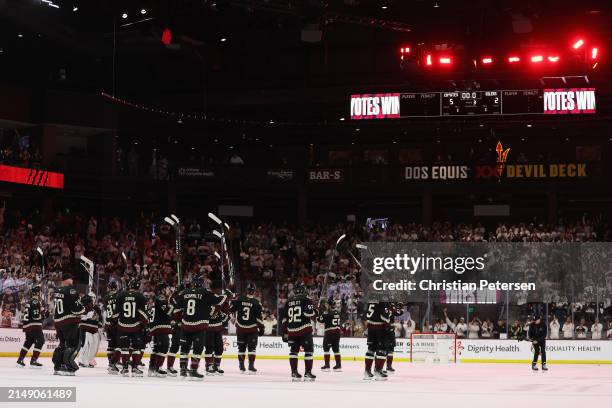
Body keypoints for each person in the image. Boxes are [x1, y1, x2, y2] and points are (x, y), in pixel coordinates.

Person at [173, 275, 229, 380]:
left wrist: (179, 322)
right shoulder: (205, 293)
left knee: (184, 348)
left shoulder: (184, 293)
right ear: (201, 283)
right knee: (198, 349)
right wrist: (227, 295)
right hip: (199, 325)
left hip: (186, 325)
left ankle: (183, 370)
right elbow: (220, 300)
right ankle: (193, 370)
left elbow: (176, 310)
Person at [281, 281, 317, 381]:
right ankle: (307, 373)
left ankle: (294, 372)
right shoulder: (307, 299)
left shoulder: (288, 301)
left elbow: (284, 319)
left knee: (293, 351)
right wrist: (315, 311)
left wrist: (285, 332)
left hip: (291, 330)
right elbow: (308, 313)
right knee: (309, 351)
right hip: (304, 329)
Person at [114, 279, 148, 377]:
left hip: (122, 325)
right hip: (135, 326)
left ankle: (124, 368)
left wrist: (113, 322)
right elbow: (143, 314)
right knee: (137, 347)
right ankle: (135, 367)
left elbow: (116, 312)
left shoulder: (120, 295)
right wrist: (146, 325)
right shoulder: (140, 296)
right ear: (138, 287)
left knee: (124, 347)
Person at [52, 273, 85, 376]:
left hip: (58, 322)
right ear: (65, 280)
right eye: (70, 279)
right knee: (73, 345)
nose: (72, 281)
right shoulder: (71, 290)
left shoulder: (57, 291)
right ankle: (68, 366)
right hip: (69, 322)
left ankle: (58, 366)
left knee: (63, 344)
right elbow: (77, 310)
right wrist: (85, 308)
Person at [230, 282, 264, 374]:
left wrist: (232, 301)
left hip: (240, 328)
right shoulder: (257, 303)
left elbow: (231, 309)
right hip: (252, 329)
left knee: (241, 348)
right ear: (254, 292)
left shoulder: (239, 299)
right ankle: (251, 366)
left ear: (247, 290)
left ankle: (241, 366)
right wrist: (262, 329)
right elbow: (259, 319)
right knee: (252, 349)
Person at [17, 285, 46, 368]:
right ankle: (34, 360)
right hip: (34, 325)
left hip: (27, 325)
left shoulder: (29, 302)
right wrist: (44, 315)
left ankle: (20, 359)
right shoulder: (36, 302)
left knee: (29, 342)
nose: (40, 293)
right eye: (39, 292)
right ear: (37, 292)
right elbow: (36, 316)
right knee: (41, 341)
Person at [148, 282, 172, 377]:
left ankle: (152, 367)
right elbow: (167, 311)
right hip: (161, 327)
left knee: (157, 347)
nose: (168, 290)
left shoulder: (161, 298)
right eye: (166, 288)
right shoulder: (161, 298)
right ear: (162, 289)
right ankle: (158, 367)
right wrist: (174, 305)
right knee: (165, 345)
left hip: (158, 326)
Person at [363, 299, 389, 381]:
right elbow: (383, 316)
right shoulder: (382, 301)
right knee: (382, 349)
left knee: (371, 349)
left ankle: (367, 372)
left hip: (371, 327)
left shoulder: (370, 300)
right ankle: (378, 371)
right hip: (379, 328)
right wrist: (388, 325)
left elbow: (367, 315)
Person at [205, 288, 229, 376]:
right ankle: (208, 366)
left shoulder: (218, 303)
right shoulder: (205, 304)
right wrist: (218, 307)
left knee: (219, 347)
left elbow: (224, 316)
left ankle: (217, 366)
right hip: (208, 329)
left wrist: (226, 304)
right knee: (209, 347)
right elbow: (210, 313)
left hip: (218, 328)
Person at [166, 283, 186, 376]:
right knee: (176, 346)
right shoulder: (173, 298)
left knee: (183, 346)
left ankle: (183, 366)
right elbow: (170, 311)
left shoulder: (179, 296)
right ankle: (170, 366)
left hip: (184, 324)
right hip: (178, 325)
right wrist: (173, 321)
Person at [78, 293, 102, 368]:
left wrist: (100, 327)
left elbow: (100, 318)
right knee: (86, 344)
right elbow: (80, 316)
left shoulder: (97, 308)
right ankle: (81, 360)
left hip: (94, 328)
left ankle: (90, 360)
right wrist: (86, 316)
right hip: (85, 328)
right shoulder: (83, 306)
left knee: (94, 345)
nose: (92, 300)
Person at [318, 298, 342, 372]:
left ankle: (327, 366)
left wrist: (320, 312)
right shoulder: (337, 312)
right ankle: (338, 365)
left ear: (329, 304)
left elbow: (320, 320)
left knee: (326, 348)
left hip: (329, 332)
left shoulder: (327, 312)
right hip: (337, 332)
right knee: (336, 349)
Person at [103, 281, 121, 374]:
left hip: (108, 323)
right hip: (117, 323)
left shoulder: (105, 297)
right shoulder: (119, 296)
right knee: (119, 345)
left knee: (111, 345)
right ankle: (115, 362)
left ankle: (111, 363)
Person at [385, 302, 403, 373]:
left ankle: (389, 366)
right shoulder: (385, 306)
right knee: (383, 349)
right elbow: (399, 313)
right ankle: (379, 367)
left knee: (391, 349)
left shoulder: (392, 306)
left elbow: (398, 313)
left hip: (391, 331)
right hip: (385, 330)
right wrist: (400, 308)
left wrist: (400, 308)